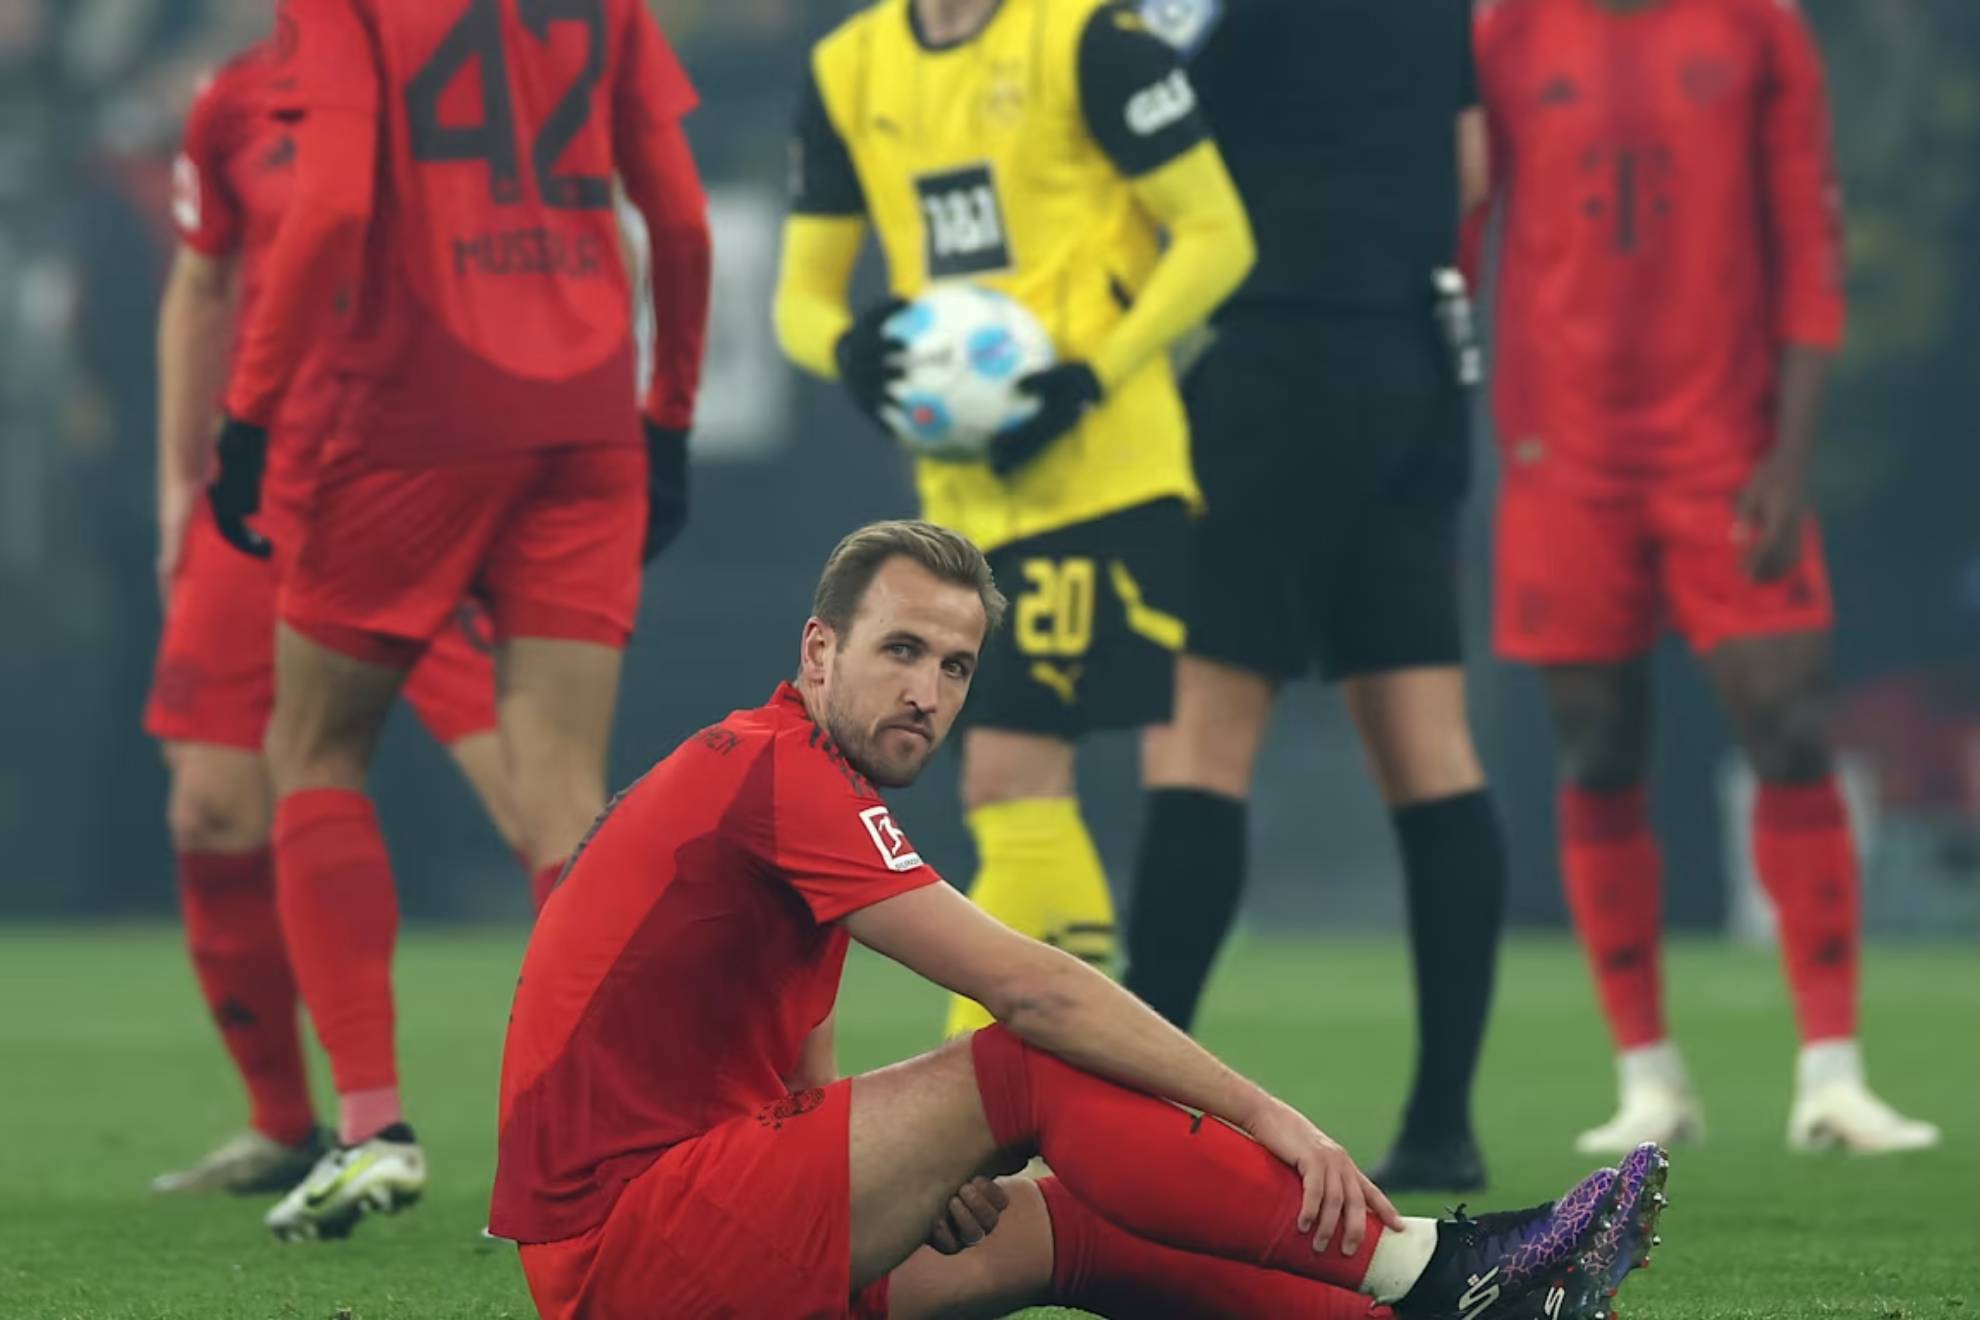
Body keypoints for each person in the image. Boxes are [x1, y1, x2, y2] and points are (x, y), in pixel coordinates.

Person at [489, 518, 1670, 1320]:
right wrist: (1269, 1114)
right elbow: (1035, 994)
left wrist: (889, 1169)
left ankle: (1454, 1305)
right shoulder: (774, 771)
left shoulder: (790, 774)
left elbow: (793, 1056)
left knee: (1071, 1223)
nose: (927, 692)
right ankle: (1441, 1267)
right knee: (1020, 1070)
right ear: (817, 648)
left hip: (680, 1219)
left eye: (955, 668)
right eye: (901, 650)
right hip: (625, 1261)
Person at [201, 0, 712, 1237]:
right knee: (563, 789)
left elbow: (326, 207)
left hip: (408, 415)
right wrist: (671, 407)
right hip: (589, 416)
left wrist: (252, 413)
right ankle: (614, 1145)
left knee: (317, 750)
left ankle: (372, 1127)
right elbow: (682, 218)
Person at [1470, 0, 1938, 1154]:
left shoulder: (1754, 24)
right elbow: (1467, 225)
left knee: (1786, 722)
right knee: (1597, 746)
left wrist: (1789, 453)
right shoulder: (1508, 28)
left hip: (1726, 449)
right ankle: (1647, 1078)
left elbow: (1808, 242)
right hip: (1562, 457)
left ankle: (1832, 1070)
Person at [773, 0, 1255, 1037]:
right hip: (963, 501)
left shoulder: (1089, 40)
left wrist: (1094, 375)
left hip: (1108, 477)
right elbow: (799, 298)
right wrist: (851, 352)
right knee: (1023, 795)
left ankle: (974, 1110)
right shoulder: (847, 69)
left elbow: (1219, 234)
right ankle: (1069, 1078)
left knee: (1008, 775)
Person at [1122, 0, 1508, 1194]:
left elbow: (1143, 142)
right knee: (1429, 747)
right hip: (1414, 365)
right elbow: (1473, 166)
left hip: (1267, 364)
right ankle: (1443, 1120)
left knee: (1199, 738)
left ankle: (1134, 1102)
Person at [145, 35, 527, 1195]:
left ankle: (644, 1119)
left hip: (425, 480)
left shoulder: (477, 75)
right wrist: (180, 477)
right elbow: (205, 283)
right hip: (263, 490)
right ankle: (287, 1125)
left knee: (539, 799)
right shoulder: (232, 95)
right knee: (215, 810)